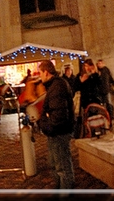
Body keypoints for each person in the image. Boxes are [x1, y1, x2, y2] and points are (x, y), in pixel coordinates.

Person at [35, 60, 74, 190]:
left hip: (59, 133)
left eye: (40, 72)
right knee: (55, 165)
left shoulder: (57, 87)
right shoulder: (54, 85)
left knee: (62, 168)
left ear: (46, 72)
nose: (39, 76)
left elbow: (58, 117)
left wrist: (44, 124)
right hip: (55, 132)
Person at [75, 59, 108, 135]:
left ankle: (99, 130)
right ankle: (89, 132)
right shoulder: (80, 76)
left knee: (97, 118)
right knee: (87, 119)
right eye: (86, 66)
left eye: (89, 65)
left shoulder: (96, 74)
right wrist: (81, 81)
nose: (87, 68)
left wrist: (95, 74)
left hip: (95, 100)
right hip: (85, 102)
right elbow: (75, 87)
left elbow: (100, 84)